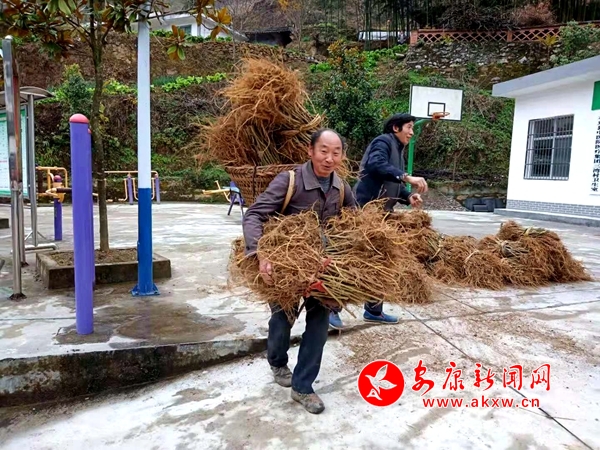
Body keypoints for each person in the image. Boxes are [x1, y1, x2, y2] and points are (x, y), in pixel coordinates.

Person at [242, 128, 356, 414]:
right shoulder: (289, 181)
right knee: (283, 319)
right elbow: (254, 215)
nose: (329, 158)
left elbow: (357, 221)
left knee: (319, 326)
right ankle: (277, 362)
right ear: (310, 151)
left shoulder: (342, 188)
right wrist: (260, 253)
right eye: (323, 151)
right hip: (288, 268)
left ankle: (303, 386)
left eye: (336, 153)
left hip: (324, 270)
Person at [328, 113, 427, 330]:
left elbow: (393, 182)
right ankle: (332, 310)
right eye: (409, 127)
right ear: (396, 128)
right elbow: (376, 164)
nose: (412, 132)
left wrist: (408, 196)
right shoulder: (382, 142)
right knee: (353, 259)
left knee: (380, 261)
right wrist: (406, 176)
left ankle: (373, 311)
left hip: (382, 216)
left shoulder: (398, 152)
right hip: (364, 211)